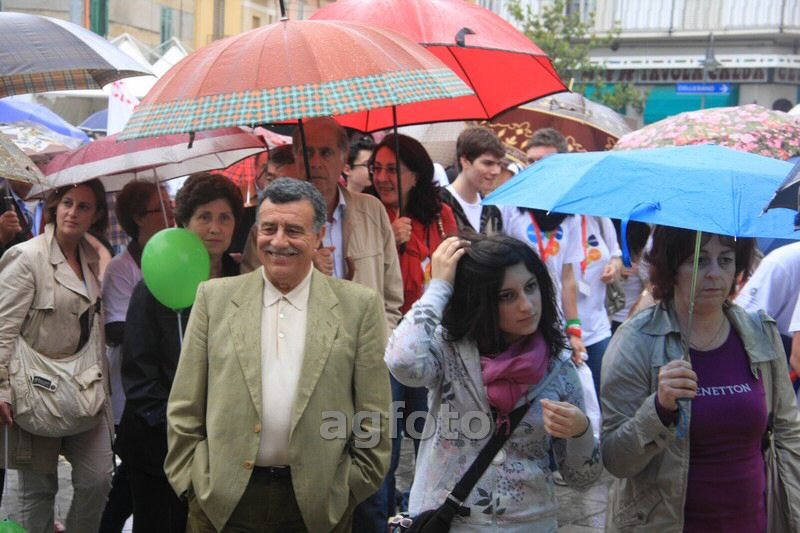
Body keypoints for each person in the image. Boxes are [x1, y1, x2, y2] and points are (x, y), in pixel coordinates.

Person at [165, 178, 391, 532]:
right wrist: (193, 483)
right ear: (256, 233)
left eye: (294, 230)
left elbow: (374, 414)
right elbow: (184, 405)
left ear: (319, 236)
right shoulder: (214, 298)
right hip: (222, 503)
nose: (279, 241)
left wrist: (351, 486)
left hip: (318, 507)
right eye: (269, 228)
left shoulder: (358, 307)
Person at [386, 234, 602, 531]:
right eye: (507, 296)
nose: (527, 305)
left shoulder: (559, 366)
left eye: (531, 287)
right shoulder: (448, 350)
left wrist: (581, 431)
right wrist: (439, 288)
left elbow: (582, 479)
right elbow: (401, 361)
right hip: (447, 522)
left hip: (530, 524)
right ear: (481, 300)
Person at [600, 226, 800, 532]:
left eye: (726, 260)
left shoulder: (760, 333)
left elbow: (788, 432)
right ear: (670, 266)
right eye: (699, 260)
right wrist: (658, 410)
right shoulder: (636, 341)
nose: (714, 273)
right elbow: (615, 459)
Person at [117, 173, 241, 532]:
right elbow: (140, 379)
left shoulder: (245, 279)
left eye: (225, 217)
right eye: (204, 217)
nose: (215, 228)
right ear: (184, 222)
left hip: (225, 448)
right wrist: (185, 428)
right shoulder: (154, 285)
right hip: (159, 449)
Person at [0, 180, 113, 533]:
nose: (73, 212)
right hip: (35, 391)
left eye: (84, 206)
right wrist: (1, 388)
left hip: (85, 389)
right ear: (55, 207)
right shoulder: (27, 257)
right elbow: (2, 328)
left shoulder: (94, 258)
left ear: (96, 215)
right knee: (38, 493)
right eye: (67, 202)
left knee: (98, 478)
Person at [369, 133, 458, 515]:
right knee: (384, 450)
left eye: (392, 169)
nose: (381, 177)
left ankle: (425, 515)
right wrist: (388, 241)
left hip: (433, 343)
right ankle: (384, 518)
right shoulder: (371, 214)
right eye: (376, 168)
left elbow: (454, 270)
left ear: (416, 174)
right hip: (387, 344)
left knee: (430, 439)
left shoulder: (440, 214)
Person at [99, 181, 174, 533]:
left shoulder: (177, 256)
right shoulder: (122, 268)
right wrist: (156, 323)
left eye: (171, 204)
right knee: (131, 475)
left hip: (165, 386)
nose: (170, 212)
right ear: (139, 218)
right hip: (133, 388)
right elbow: (115, 328)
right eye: (161, 207)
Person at [503, 128, 587, 367]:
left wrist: (574, 329)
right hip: (519, 318)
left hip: (554, 320)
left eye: (543, 161)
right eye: (531, 161)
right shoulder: (511, 205)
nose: (535, 167)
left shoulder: (570, 213)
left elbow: (568, 277)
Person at [575, 215, 622, 397]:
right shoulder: (550, 224)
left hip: (598, 330)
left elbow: (616, 256)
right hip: (561, 334)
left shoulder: (599, 219)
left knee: (604, 398)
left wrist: (613, 268)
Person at [440, 126, 505, 234]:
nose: (496, 171)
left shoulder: (493, 213)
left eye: (499, 164)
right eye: (488, 163)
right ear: (465, 161)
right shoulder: (437, 204)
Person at [609, 220, 652, 333]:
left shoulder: (645, 254)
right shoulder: (612, 254)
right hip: (619, 318)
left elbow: (652, 286)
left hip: (631, 317)